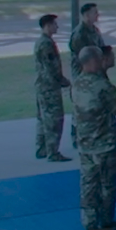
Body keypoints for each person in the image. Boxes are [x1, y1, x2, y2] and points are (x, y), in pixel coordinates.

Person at [71, 46, 116, 230]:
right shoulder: (102, 86)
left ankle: (90, 222)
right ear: (94, 61)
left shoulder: (76, 83)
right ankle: (106, 220)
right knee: (108, 185)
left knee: (88, 184)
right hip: (104, 144)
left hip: (85, 143)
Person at [33, 14, 71, 161]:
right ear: (47, 26)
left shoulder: (43, 42)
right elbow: (51, 68)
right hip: (49, 88)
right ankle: (52, 151)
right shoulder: (46, 44)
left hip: (42, 86)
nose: (57, 27)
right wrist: (63, 81)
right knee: (53, 119)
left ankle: (42, 148)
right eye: (54, 24)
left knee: (43, 118)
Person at [68, 2, 106, 74]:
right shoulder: (79, 34)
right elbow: (81, 56)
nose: (98, 15)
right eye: (95, 13)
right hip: (82, 72)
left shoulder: (95, 30)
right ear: (87, 15)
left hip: (94, 69)